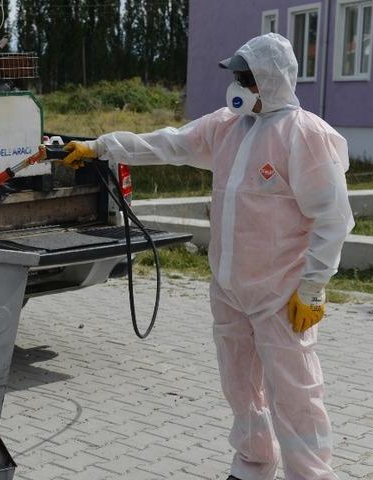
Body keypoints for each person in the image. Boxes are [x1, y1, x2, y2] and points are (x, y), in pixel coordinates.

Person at [62, 33, 354, 480]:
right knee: (240, 390)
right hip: (231, 289)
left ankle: (311, 475)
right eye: (236, 77)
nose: (236, 85)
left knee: (296, 394)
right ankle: (253, 465)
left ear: (270, 81)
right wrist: (101, 147)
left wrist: (312, 287)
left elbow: (333, 218)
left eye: (245, 77)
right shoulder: (225, 127)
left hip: (280, 294)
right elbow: (168, 143)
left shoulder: (305, 136)